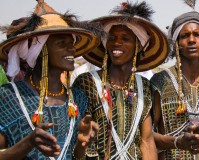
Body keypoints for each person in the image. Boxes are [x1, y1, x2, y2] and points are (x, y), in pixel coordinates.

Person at [0, 0, 100, 159]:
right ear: (39, 51)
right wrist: (28, 143)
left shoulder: (79, 99)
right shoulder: (9, 97)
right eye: (62, 44)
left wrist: (82, 145)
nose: (71, 49)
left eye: (71, 43)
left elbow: (77, 156)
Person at [71, 1, 169, 159]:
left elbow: (147, 140)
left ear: (138, 46)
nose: (117, 43)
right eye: (112, 37)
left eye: (125, 38)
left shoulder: (143, 86)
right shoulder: (86, 83)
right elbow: (77, 137)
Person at [150, 8, 199, 159]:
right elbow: (146, 135)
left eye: (197, 35)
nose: (191, 40)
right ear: (177, 43)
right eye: (185, 36)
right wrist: (177, 142)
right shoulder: (161, 81)